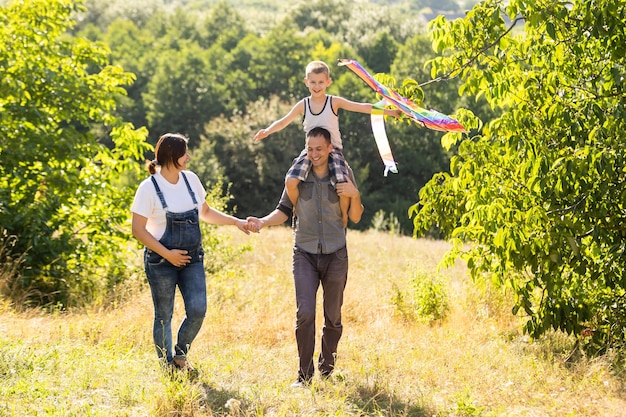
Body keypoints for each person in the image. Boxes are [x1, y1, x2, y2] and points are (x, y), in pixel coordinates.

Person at [246, 127, 364, 387]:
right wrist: (263, 222)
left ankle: (327, 368)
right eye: (310, 149)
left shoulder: (344, 173)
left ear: (330, 148)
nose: (314, 154)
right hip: (305, 254)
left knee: (333, 316)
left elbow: (355, 217)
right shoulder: (297, 176)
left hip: (336, 254)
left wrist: (354, 194)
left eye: (319, 149)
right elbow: (283, 210)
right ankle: (304, 375)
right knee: (305, 313)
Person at [131, 133, 250, 371]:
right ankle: (168, 366)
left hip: (192, 259)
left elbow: (205, 212)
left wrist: (235, 222)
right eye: (185, 152)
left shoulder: (190, 180)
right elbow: (137, 230)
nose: (188, 157)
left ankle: (180, 354)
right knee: (163, 315)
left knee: (198, 309)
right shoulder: (149, 188)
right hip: (160, 261)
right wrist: (168, 254)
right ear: (172, 155)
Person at [253, 60, 399, 228]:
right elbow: (282, 121)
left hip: (333, 150)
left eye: (321, 82)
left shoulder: (333, 102)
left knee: (342, 183)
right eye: (313, 82)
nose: (316, 86)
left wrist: (390, 112)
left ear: (328, 82)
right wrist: (267, 130)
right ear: (306, 82)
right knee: (291, 181)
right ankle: (297, 208)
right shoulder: (304, 104)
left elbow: (361, 107)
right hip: (311, 150)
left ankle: (343, 215)